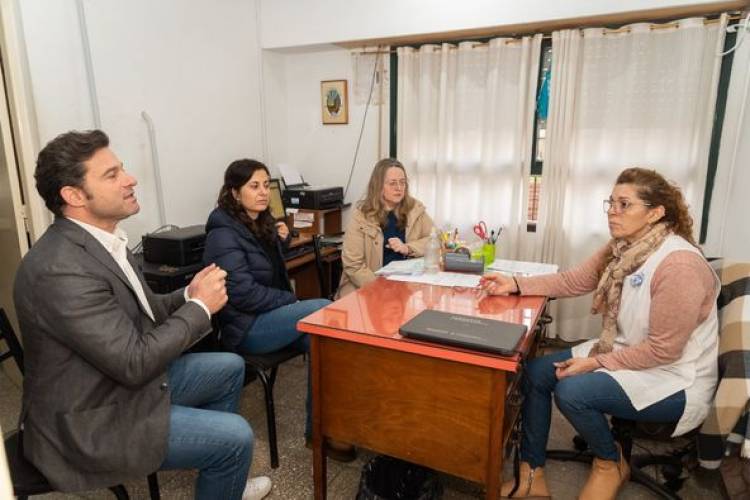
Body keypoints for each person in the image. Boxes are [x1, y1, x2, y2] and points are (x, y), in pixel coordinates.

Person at [13, 130, 271, 500]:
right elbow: (134, 361)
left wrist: (187, 293)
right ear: (73, 196)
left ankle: (221, 480)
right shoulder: (59, 269)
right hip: (92, 419)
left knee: (229, 366)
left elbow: (147, 311)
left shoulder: (105, 241)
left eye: (123, 169)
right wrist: (200, 307)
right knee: (236, 437)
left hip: (115, 384)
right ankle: (225, 460)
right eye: (111, 175)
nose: (130, 179)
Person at [480, 167, 719, 500]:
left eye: (624, 205)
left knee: (574, 392)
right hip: (630, 350)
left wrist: (595, 364)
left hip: (675, 377)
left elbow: (664, 351)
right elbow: (574, 280)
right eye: (611, 203)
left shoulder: (678, 265)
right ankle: (532, 475)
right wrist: (516, 284)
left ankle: (610, 462)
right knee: (536, 373)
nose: (612, 212)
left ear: (655, 213)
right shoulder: (623, 246)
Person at [202, 159, 355, 460]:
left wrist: (281, 240)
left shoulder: (257, 222)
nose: (262, 193)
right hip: (246, 328)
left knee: (324, 341)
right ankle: (323, 430)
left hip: (268, 318)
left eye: (265, 186)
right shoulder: (223, 233)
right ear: (234, 192)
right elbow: (243, 294)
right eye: (253, 186)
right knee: (325, 308)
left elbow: (265, 267)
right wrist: (292, 302)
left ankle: (320, 432)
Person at [337, 158, 434, 297]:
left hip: (405, 288)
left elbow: (436, 240)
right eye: (392, 183)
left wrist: (408, 248)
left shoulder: (414, 209)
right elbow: (353, 265)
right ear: (378, 186)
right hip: (368, 289)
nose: (399, 188)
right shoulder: (361, 216)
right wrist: (381, 288)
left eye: (402, 183)